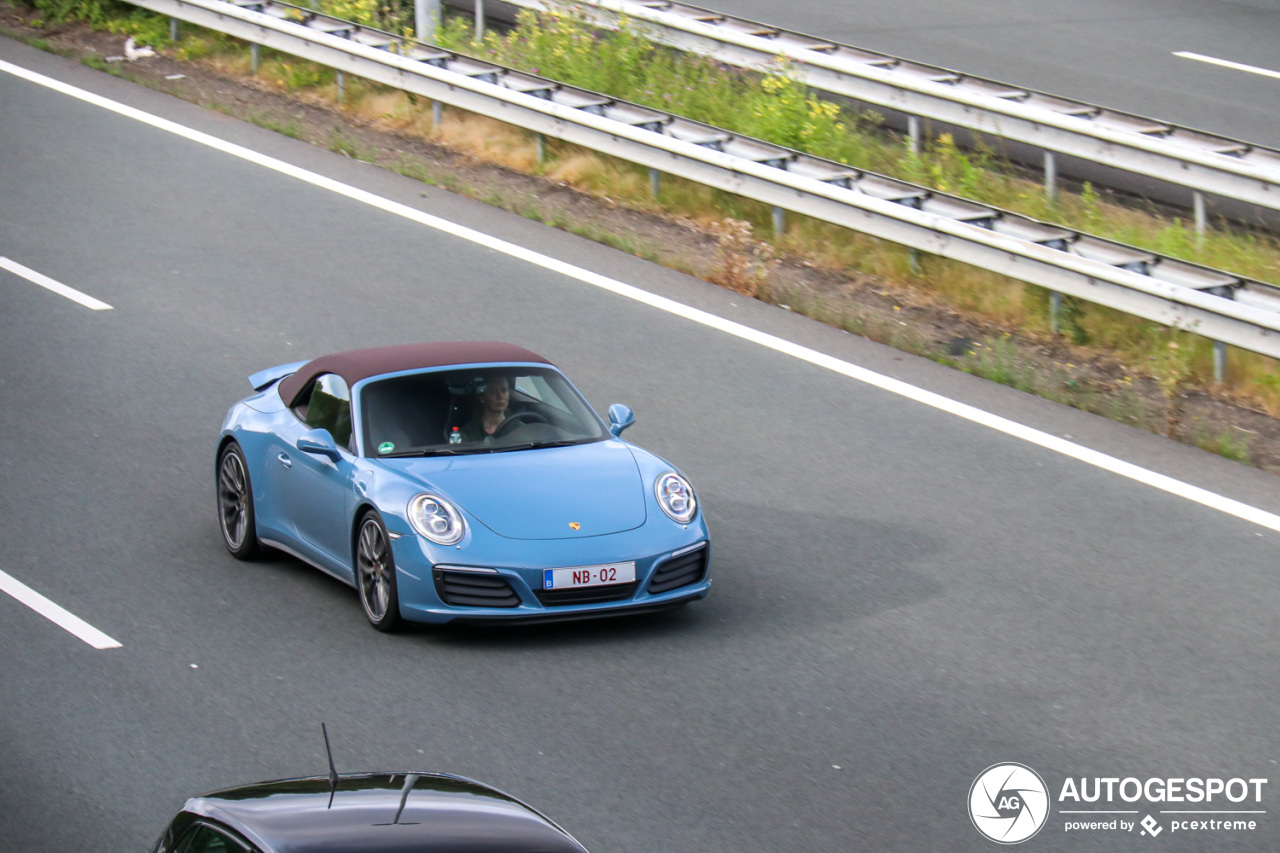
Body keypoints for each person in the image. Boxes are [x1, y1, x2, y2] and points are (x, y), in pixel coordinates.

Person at [458, 375, 511, 443]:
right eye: (493, 392)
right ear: (482, 397)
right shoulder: (468, 432)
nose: (500, 396)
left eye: (504, 390)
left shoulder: (519, 428)